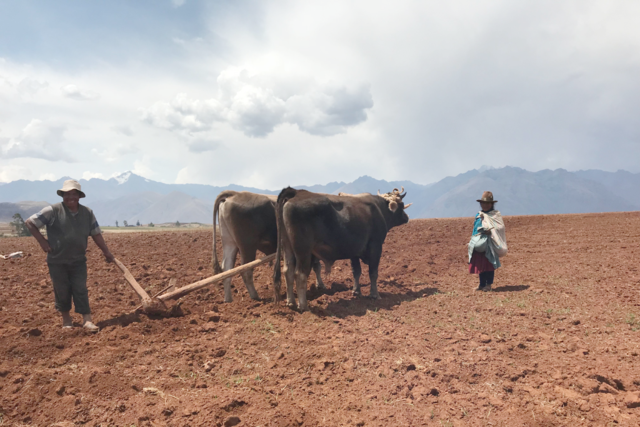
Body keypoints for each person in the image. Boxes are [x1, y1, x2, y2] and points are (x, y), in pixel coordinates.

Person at [25, 179, 115, 332]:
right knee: (62, 289)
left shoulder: (87, 213)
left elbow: (96, 234)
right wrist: (42, 241)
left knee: (80, 288)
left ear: (79, 196)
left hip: (78, 260)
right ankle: (67, 321)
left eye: (74, 194)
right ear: (62, 195)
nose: (70, 197)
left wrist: (106, 252)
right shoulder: (52, 210)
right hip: (57, 260)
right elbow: (30, 222)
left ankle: (87, 320)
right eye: (67, 194)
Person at [467, 191, 507, 292]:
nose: (485, 205)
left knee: (489, 264)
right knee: (481, 265)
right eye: (483, 203)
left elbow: (500, 227)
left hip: (490, 243)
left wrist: (491, 231)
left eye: (487, 203)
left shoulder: (495, 215)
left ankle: (488, 284)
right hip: (480, 243)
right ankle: (481, 284)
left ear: (492, 204)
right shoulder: (479, 215)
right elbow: (475, 229)